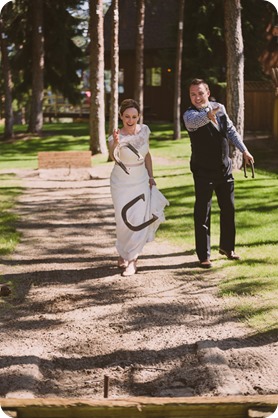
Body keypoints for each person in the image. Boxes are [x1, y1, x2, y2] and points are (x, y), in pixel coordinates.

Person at [183, 78, 254, 269]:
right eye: (193, 94)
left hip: (224, 169)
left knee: (228, 210)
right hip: (203, 171)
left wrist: (244, 150)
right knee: (202, 213)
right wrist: (209, 112)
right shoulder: (189, 115)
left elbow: (231, 131)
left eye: (200, 93)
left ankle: (227, 248)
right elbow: (196, 122)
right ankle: (204, 255)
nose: (197, 97)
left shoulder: (219, 108)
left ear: (207, 92)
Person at [108, 99, 169, 276]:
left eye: (134, 116)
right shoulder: (115, 135)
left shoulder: (144, 131)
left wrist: (151, 177)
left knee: (138, 220)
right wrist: (116, 143)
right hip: (121, 182)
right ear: (121, 116)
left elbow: (147, 154)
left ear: (138, 117)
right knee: (123, 221)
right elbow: (114, 158)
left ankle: (133, 259)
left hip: (141, 179)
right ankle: (122, 252)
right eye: (127, 116)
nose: (130, 120)